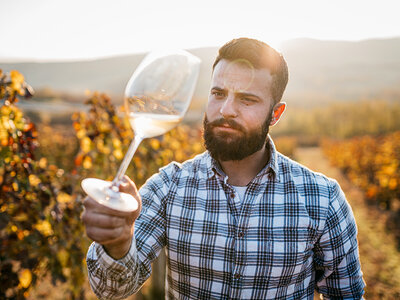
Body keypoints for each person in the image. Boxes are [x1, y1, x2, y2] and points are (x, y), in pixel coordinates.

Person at [82, 38, 365, 299]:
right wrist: (119, 244)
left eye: (247, 99)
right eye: (218, 93)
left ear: (275, 114)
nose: (226, 109)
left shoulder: (322, 199)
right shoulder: (169, 186)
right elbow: (110, 289)